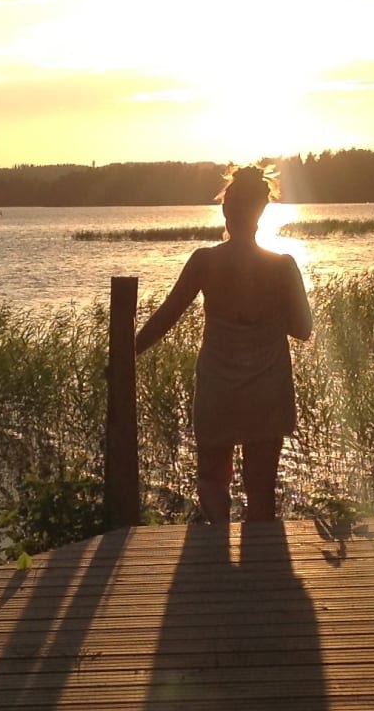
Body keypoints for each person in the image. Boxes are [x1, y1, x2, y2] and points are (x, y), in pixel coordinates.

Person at [133, 164, 313, 523]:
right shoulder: (282, 266)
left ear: (226, 210)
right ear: (261, 212)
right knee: (260, 489)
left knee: (213, 482)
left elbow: (164, 318)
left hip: (219, 390)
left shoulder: (205, 261)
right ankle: (259, 573)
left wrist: (126, 355)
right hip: (267, 390)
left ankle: (213, 553)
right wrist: (269, 314)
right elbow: (303, 329)